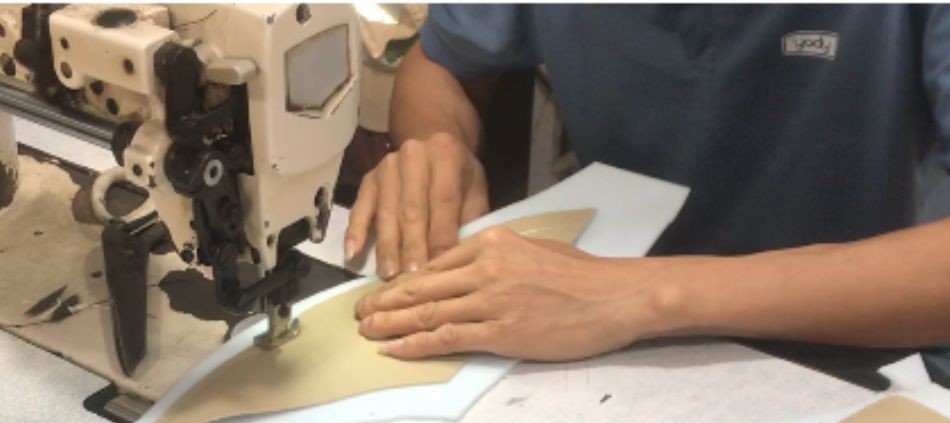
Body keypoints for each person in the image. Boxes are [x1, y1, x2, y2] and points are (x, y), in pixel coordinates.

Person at [344, 5, 950, 363]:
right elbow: (443, 62)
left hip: (860, 346)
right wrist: (436, 142)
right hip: (600, 334)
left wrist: (639, 296)